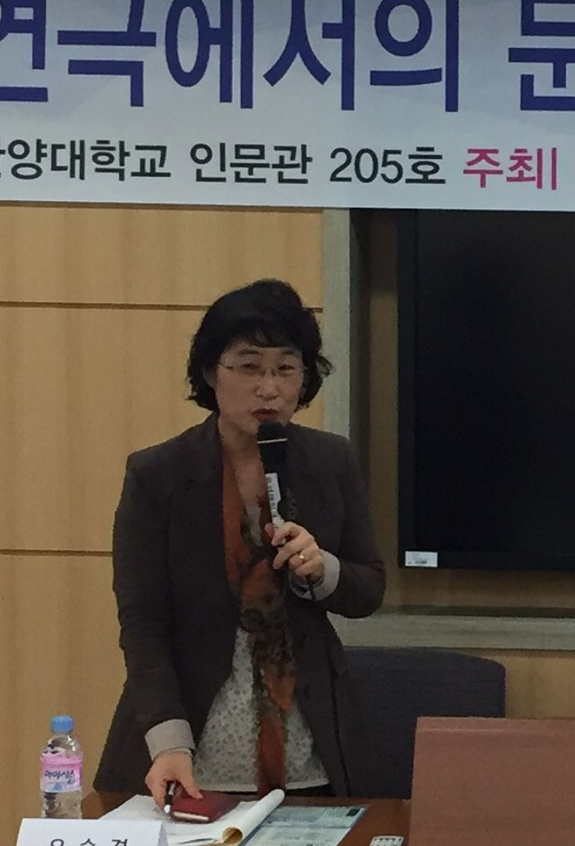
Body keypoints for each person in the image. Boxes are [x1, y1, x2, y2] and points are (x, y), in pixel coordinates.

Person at [92, 279, 387, 807]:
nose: (269, 388)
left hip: (310, 749)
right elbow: (143, 623)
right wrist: (168, 742)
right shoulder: (158, 474)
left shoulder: (331, 461)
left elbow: (369, 588)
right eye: (249, 367)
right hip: (190, 748)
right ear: (211, 373)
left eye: (286, 369)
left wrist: (323, 569)